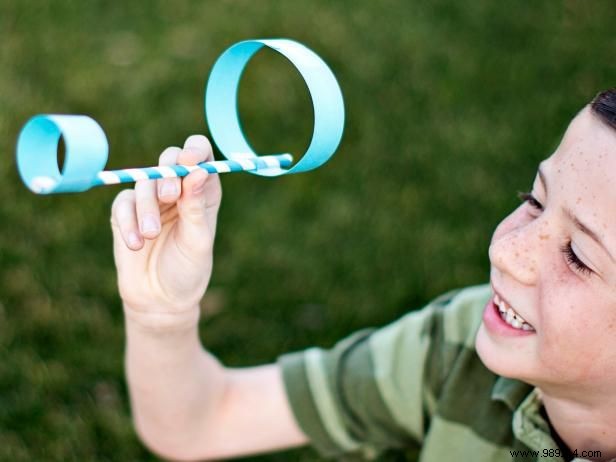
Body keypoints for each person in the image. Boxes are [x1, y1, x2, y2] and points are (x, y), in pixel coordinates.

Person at [110, 88, 616, 462]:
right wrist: (161, 315)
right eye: (534, 200)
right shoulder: (459, 347)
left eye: (578, 256)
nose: (507, 251)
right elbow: (200, 424)